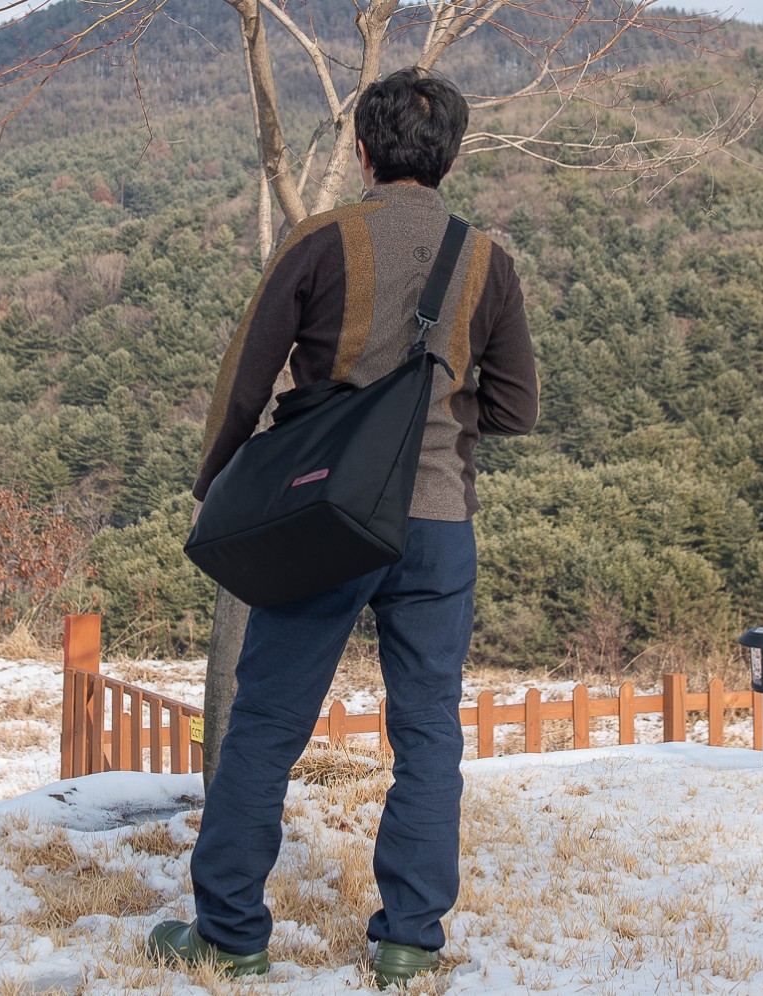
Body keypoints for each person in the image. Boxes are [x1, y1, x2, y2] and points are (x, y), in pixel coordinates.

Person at [148, 66, 539, 987]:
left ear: (363, 151)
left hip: (324, 514)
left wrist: (215, 482)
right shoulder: (488, 260)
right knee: (429, 731)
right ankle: (408, 941)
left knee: (267, 722)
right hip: (441, 525)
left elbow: (246, 377)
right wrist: (443, 414)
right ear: (448, 157)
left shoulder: (321, 239)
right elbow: (518, 407)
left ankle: (232, 932)